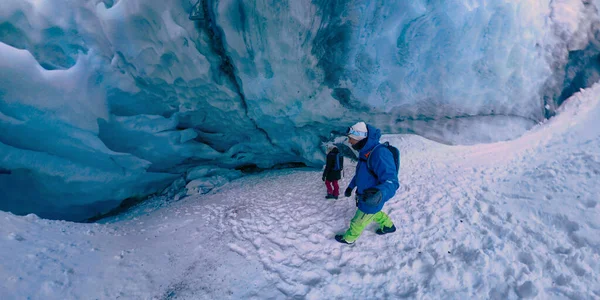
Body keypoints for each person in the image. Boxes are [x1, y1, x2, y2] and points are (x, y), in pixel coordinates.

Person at [335, 121, 400, 244]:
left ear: (360, 138)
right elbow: (361, 174)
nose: (349, 142)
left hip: (372, 198)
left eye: (351, 139)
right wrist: (351, 186)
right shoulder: (365, 153)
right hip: (366, 196)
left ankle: (349, 238)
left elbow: (392, 181)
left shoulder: (379, 154)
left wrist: (379, 194)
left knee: (357, 222)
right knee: (374, 213)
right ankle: (388, 226)